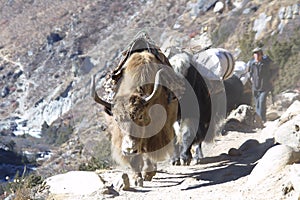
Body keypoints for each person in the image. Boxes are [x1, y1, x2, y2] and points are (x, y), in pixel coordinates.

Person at [248, 47, 278, 122]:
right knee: (257, 104)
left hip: (265, 86)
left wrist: (271, 79)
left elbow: (275, 69)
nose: (257, 56)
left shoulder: (267, 63)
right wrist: (251, 79)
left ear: (261, 55)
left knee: (261, 102)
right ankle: (261, 119)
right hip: (255, 87)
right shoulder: (252, 63)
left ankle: (261, 120)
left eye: (258, 54)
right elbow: (249, 73)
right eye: (255, 54)